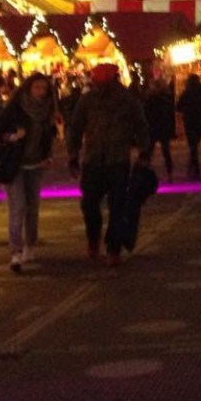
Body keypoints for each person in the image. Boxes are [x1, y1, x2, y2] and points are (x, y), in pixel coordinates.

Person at [66, 63, 151, 267]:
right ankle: (94, 238)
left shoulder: (127, 100)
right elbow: (76, 128)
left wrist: (144, 152)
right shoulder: (88, 100)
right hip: (93, 160)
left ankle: (113, 248)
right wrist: (73, 155)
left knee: (117, 207)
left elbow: (142, 126)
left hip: (118, 160)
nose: (100, 84)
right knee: (89, 205)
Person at [0, 73, 58, 273]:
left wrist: (49, 156)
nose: (40, 92)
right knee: (17, 207)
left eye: (44, 89)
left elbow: (48, 137)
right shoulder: (16, 108)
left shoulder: (46, 111)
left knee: (33, 208)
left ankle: (30, 244)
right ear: (28, 88)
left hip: (36, 165)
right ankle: (15, 252)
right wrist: (13, 136)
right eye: (37, 87)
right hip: (14, 165)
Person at [143, 75, 176, 182]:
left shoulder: (149, 98)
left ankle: (144, 172)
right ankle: (169, 173)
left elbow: (145, 113)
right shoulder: (166, 98)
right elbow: (170, 114)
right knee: (166, 151)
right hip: (163, 127)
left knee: (149, 151)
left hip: (152, 127)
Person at [176, 73, 201, 181]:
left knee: (193, 146)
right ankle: (191, 167)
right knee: (195, 144)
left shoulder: (187, 92)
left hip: (189, 121)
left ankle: (195, 169)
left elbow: (178, 106)